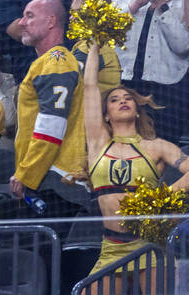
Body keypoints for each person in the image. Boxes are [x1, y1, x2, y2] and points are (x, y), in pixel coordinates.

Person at [82, 39, 189, 288]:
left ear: (138, 109)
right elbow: (89, 87)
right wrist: (95, 44)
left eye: (128, 97)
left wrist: (161, 197)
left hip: (150, 247)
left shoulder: (157, 146)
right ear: (105, 114)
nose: (122, 101)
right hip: (111, 247)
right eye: (114, 99)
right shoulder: (98, 143)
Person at [11, 0, 89, 224]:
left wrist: (26, 175)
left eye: (30, 15)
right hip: (52, 181)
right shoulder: (50, 61)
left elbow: (51, 128)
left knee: (46, 256)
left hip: (55, 182)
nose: (22, 23)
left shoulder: (56, 61)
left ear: (51, 21)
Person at [110, 0, 189, 141]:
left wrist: (161, 4)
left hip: (165, 94)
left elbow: (182, 46)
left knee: (160, 156)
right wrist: (136, 4)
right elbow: (107, 34)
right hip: (122, 86)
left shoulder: (181, 5)